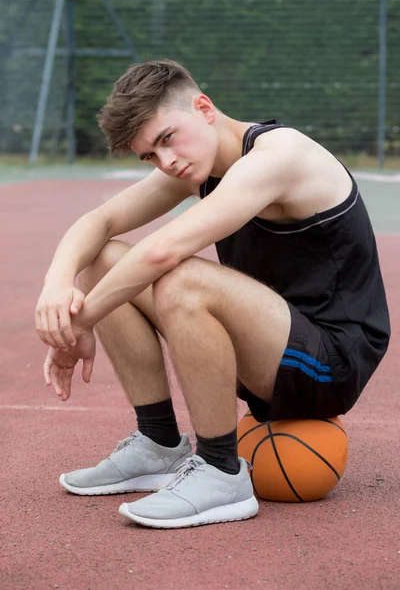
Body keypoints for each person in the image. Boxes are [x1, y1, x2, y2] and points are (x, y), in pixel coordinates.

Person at [35, 59, 390, 529]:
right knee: (103, 259)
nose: (166, 161)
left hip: (331, 363)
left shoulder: (280, 155)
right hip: (266, 346)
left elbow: (163, 252)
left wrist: (77, 325)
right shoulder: (196, 164)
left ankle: (222, 472)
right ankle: (159, 444)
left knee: (181, 278)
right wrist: (56, 283)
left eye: (166, 139)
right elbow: (97, 222)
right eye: (150, 156)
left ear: (204, 108)